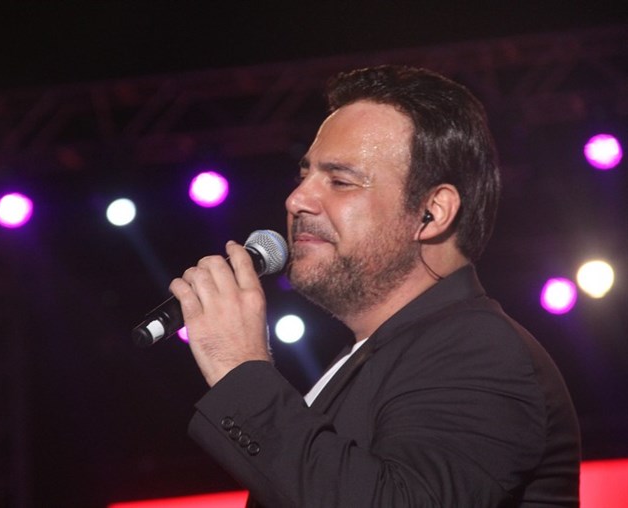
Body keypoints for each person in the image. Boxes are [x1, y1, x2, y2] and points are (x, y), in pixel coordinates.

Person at [168, 65, 580, 507]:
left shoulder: (478, 348)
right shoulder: (369, 357)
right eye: (303, 176)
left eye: (340, 181)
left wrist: (239, 369)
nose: (296, 199)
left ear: (432, 213)